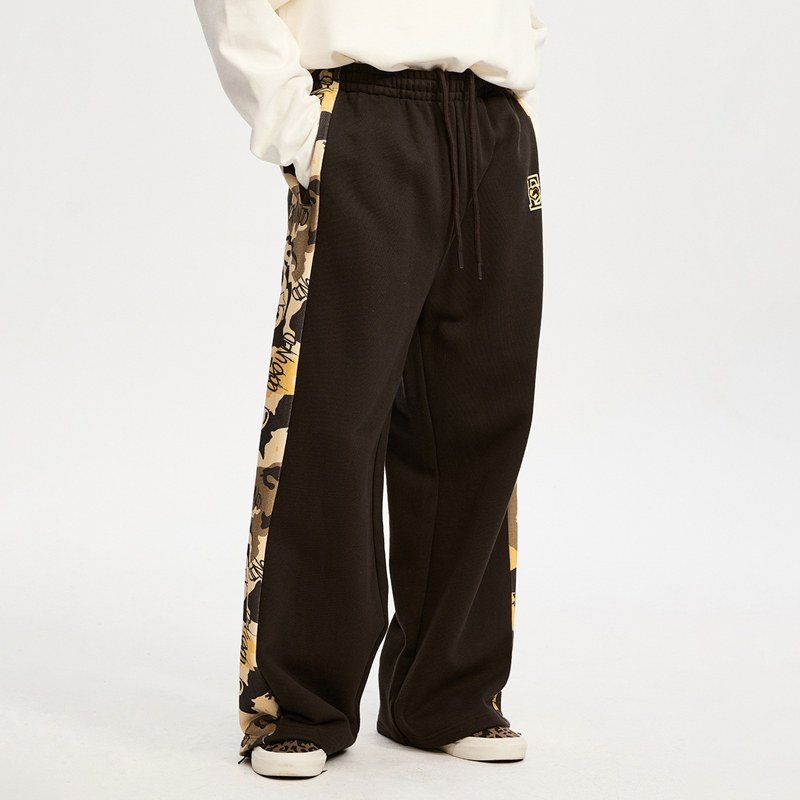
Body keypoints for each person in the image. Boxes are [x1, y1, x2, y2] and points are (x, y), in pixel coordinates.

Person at [192, 0, 547, 779]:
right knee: (330, 416)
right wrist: (295, 124)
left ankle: (446, 693)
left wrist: (515, 56)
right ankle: (301, 702)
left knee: (481, 417)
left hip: (491, 119)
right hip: (362, 112)